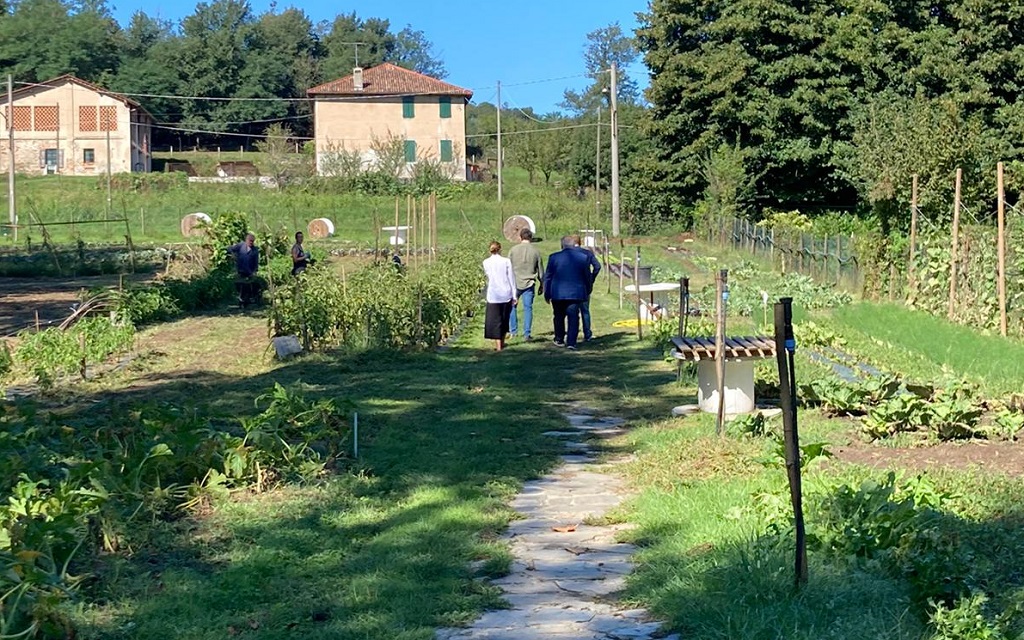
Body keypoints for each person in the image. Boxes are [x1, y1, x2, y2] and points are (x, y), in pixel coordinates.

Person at [543, 236, 600, 350]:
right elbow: (587, 276)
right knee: (573, 317)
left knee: (558, 316)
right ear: (573, 245)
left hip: (558, 292)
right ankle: (571, 342)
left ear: (562, 245)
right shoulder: (582, 257)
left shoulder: (554, 257)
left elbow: (548, 277)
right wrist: (588, 289)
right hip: (576, 292)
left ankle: (559, 338)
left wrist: (547, 292)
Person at [508, 228, 543, 341]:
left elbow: (508, 267)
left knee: (512, 307)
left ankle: (513, 331)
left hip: (515, 282)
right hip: (529, 282)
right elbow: (541, 270)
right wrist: (542, 283)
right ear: (531, 238)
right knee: (528, 308)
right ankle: (527, 333)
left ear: (520, 237)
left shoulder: (513, 250)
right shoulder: (536, 251)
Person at [482, 241, 518, 351]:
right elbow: (511, 278)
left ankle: (498, 345)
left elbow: (488, 276)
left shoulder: (486, 262)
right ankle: (502, 342)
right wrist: (514, 294)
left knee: (495, 320)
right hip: (505, 292)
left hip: (493, 294)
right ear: (500, 249)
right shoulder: (506, 261)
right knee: (504, 318)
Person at [570, 234, 602, 342]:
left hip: (572, 285)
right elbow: (597, 266)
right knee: (585, 310)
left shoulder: (569, 254)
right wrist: (592, 277)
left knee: (573, 311)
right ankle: (587, 333)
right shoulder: (587, 253)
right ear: (580, 242)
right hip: (585, 285)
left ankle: (572, 334)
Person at [227, 233, 260, 306]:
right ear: (246, 240)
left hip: (249, 272)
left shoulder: (255, 250)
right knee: (241, 286)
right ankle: (241, 300)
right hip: (240, 270)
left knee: (248, 286)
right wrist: (233, 255)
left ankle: (246, 301)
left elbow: (256, 262)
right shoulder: (241, 246)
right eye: (250, 241)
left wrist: (255, 271)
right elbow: (229, 248)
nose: (251, 243)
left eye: (252, 241)